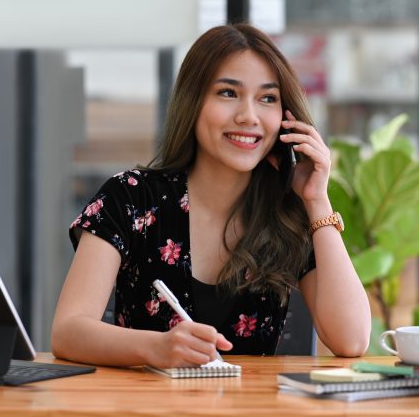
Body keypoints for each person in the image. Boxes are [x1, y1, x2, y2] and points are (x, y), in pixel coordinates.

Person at [51, 23, 371, 368]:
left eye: (267, 98)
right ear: (193, 101)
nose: (248, 116)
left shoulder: (288, 211)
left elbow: (351, 340)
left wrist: (316, 200)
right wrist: (156, 348)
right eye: (228, 93)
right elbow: (68, 331)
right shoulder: (130, 197)